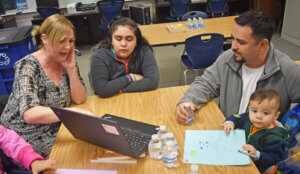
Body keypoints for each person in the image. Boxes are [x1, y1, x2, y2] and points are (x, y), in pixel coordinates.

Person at [175, 11, 300, 124]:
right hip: (227, 131)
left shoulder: (287, 70)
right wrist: (188, 101)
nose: (233, 46)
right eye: (233, 39)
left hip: (260, 143)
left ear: (263, 44)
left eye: (241, 42)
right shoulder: (228, 58)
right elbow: (206, 83)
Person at [0, 14, 91, 157]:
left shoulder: (65, 59)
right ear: (44, 39)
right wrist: (70, 114)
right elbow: (29, 114)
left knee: (90, 146)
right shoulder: (28, 66)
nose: (67, 47)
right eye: (61, 41)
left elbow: (79, 99)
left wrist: (71, 69)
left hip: (54, 127)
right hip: (24, 135)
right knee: (77, 155)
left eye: (71, 41)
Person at [90, 17, 159, 98]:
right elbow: (102, 90)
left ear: (136, 41)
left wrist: (115, 89)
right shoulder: (100, 56)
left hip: (139, 99)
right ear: (111, 40)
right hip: (110, 103)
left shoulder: (144, 51)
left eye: (129, 39)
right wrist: (131, 77)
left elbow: (152, 82)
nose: (123, 44)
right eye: (118, 39)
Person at [223, 88, 288, 173]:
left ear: (275, 116)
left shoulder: (275, 137)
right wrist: (230, 123)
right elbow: (237, 117)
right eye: (254, 111)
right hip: (242, 157)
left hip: (259, 168)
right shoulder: (248, 118)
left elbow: (273, 158)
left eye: (265, 113)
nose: (258, 116)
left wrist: (256, 154)